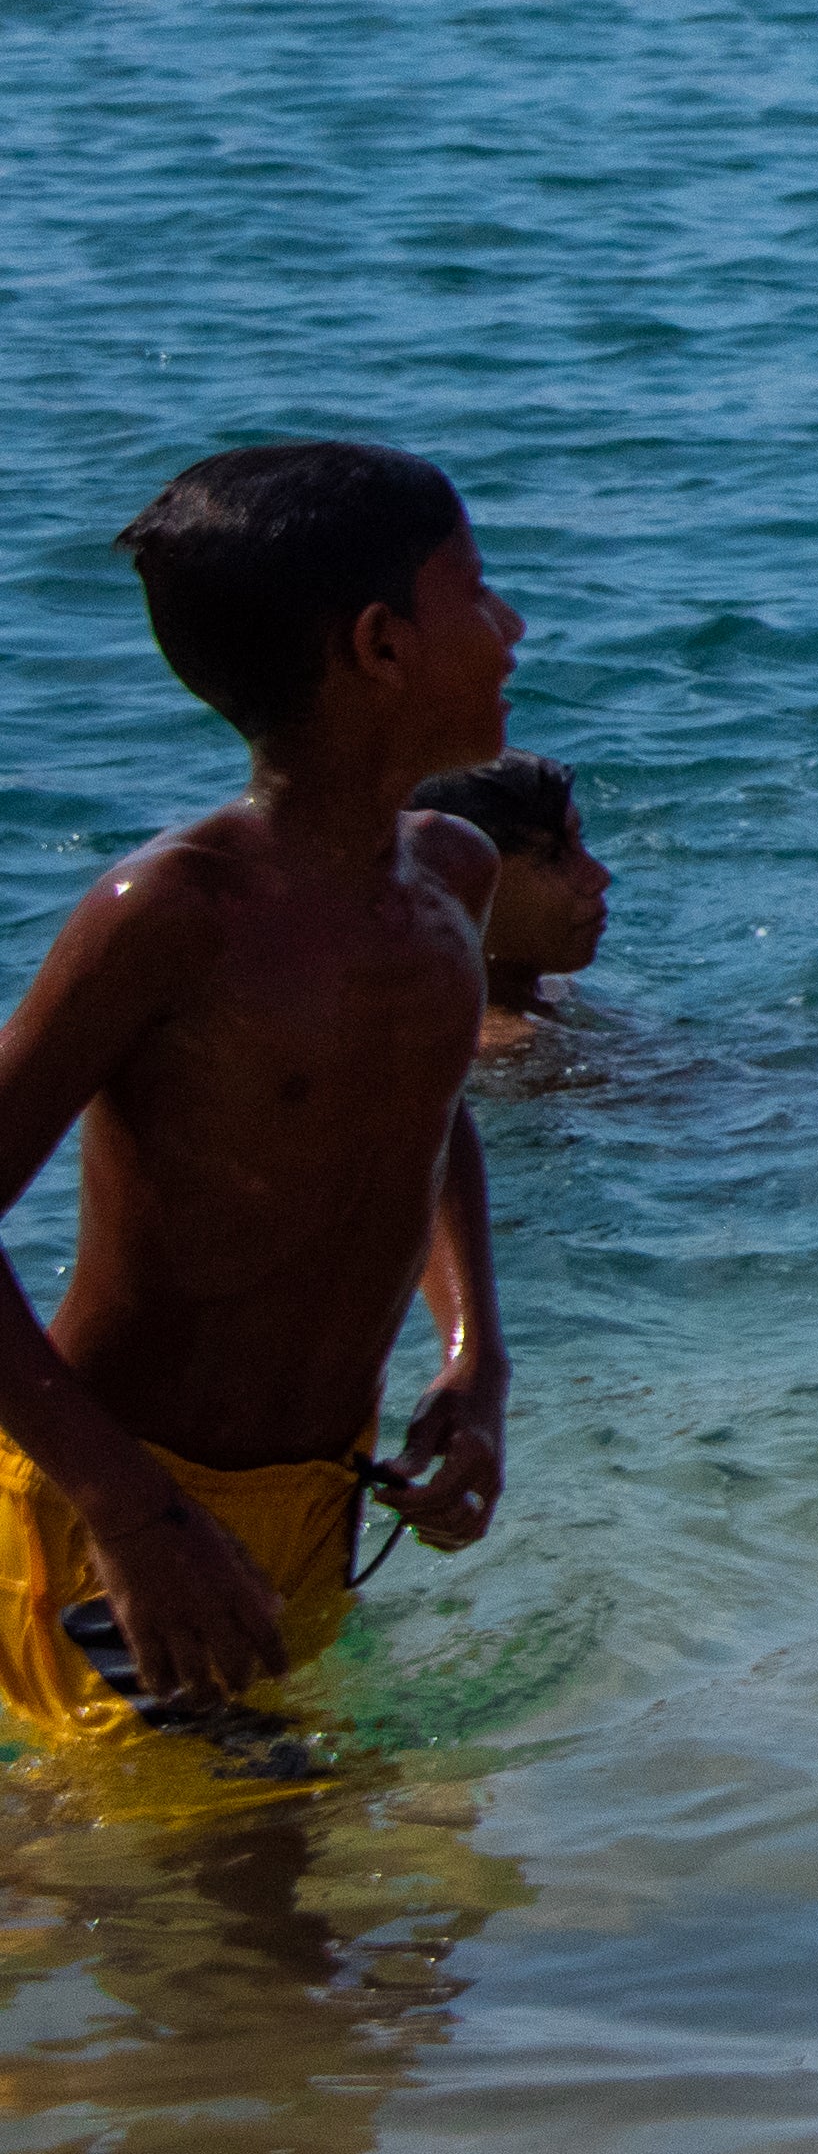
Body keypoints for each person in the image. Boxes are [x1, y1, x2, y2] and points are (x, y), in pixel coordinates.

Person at [0, 445, 518, 1745]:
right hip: (125, 1508)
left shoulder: (452, 874)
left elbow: (428, 1109)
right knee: (231, 1909)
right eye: (477, 592)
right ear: (380, 647)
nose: (512, 629)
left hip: (316, 1502)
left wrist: (475, 1358)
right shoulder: (175, 916)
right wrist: (131, 1513)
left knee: (249, 1896)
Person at [403, 754, 608, 1061]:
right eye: (552, 856)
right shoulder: (501, 1049)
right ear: (460, 883)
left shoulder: (550, 990)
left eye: (578, 842)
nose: (599, 878)